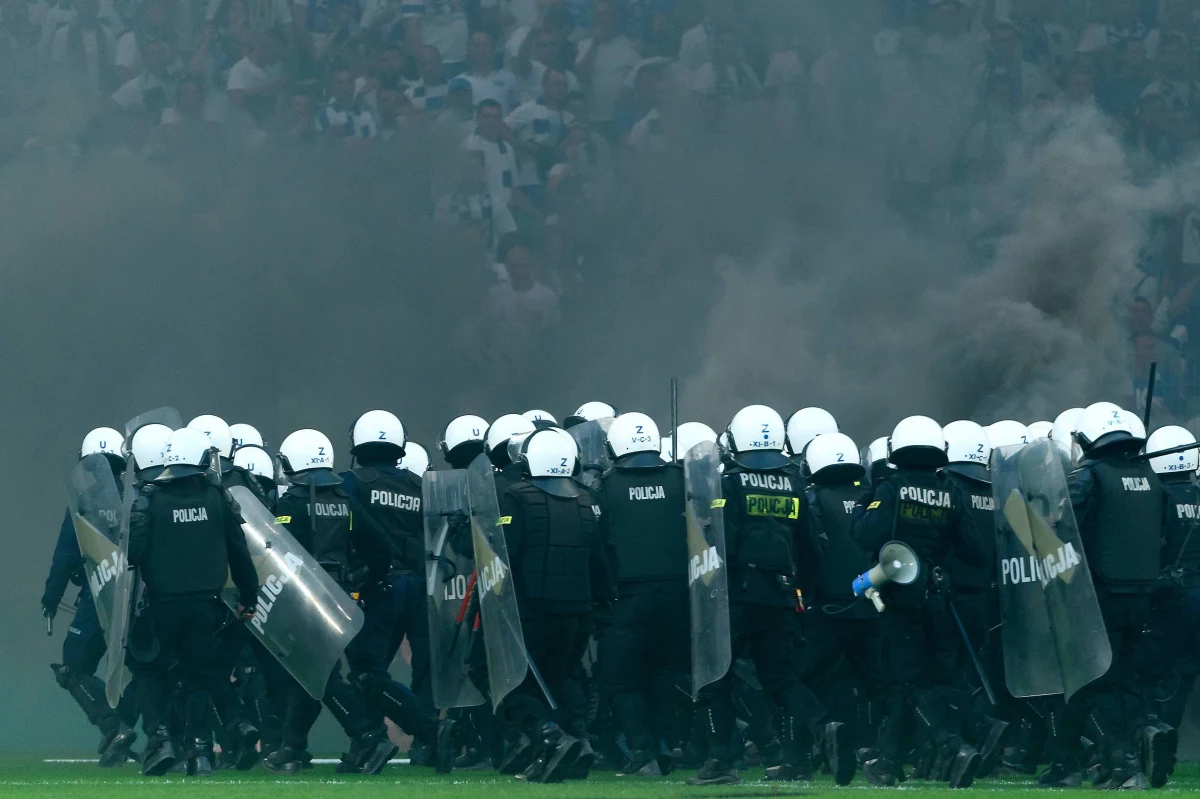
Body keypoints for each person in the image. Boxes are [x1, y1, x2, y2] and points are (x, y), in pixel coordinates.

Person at [266, 428, 447, 775]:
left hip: (306, 597)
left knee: (321, 675)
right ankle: (292, 747)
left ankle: (368, 736)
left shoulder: (292, 502)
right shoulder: (344, 499)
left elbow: (277, 551)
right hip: (347, 596)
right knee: (313, 674)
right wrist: (366, 580)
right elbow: (380, 546)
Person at [690, 405, 853, 787]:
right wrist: (802, 590)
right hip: (781, 594)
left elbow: (720, 542)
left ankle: (721, 762)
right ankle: (826, 726)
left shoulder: (728, 484)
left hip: (735, 597)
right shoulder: (795, 483)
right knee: (781, 678)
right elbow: (811, 547)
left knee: (717, 678)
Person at [1043, 402, 1173, 789]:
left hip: (1098, 598)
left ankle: (1121, 761)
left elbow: (1063, 530)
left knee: (1092, 683)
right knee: (1124, 682)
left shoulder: (1089, 477)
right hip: (1143, 596)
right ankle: (1074, 760)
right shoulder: (1151, 477)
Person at [852, 415, 987, 788]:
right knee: (929, 681)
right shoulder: (953, 492)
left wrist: (867, 503)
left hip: (901, 602)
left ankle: (952, 744)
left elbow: (865, 535)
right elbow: (975, 552)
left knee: (904, 684)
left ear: (898, 450)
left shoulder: (891, 488)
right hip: (939, 600)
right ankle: (889, 763)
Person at [127, 427, 260, 777]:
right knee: (198, 678)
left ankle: (160, 740)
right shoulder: (218, 498)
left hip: (162, 606)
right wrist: (250, 596)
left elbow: (132, 554)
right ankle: (200, 753)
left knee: (146, 670)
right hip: (206, 608)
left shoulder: (150, 500)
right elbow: (240, 552)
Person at [495, 427, 613, 782]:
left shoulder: (515, 497)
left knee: (512, 686)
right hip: (577, 614)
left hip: (531, 612)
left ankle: (549, 737)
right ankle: (578, 744)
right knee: (563, 678)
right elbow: (599, 562)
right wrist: (604, 603)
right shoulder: (584, 500)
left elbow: (505, 555)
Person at [337, 409, 443, 760]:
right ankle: (414, 743)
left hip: (377, 588)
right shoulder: (420, 485)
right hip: (419, 587)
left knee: (369, 673)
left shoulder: (351, 483)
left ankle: (422, 730)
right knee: (422, 669)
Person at [594, 412, 687, 776]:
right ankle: (665, 748)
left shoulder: (606, 488)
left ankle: (642, 750)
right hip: (677, 596)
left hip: (628, 598)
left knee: (620, 678)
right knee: (662, 672)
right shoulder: (680, 480)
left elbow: (599, 547)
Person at [45, 428, 138, 768]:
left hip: (99, 595)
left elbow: (66, 554)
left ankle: (115, 726)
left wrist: (51, 596)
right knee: (149, 671)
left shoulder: (84, 502)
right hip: (143, 598)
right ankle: (166, 738)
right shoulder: (140, 495)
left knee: (74, 665)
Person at [794, 432, 887, 763]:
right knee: (877, 683)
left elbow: (808, 553)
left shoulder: (812, 500)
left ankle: (807, 754)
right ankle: (878, 749)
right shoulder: (873, 497)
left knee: (802, 679)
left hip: (826, 610)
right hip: (873, 608)